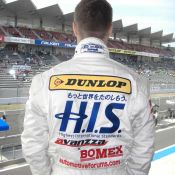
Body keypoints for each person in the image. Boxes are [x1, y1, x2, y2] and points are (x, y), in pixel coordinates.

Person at [21, 0, 155, 175]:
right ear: (110, 29)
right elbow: (144, 147)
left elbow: (33, 144)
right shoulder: (136, 83)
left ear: (75, 28)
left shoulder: (43, 81)